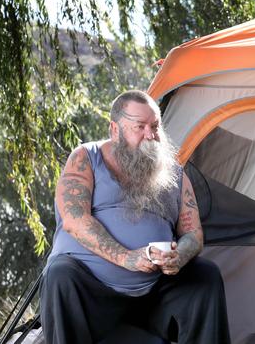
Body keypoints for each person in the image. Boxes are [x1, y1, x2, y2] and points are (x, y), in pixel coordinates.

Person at [40, 90, 231, 344]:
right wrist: (126, 258)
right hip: (91, 290)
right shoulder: (86, 157)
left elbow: (193, 234)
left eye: (155, 126)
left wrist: (179, 256)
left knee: (205, 276)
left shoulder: (175, 174)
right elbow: (74, 220)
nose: (150, 136)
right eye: (139, 127)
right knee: (60, 274)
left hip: (155, 291)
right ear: (115, 129)